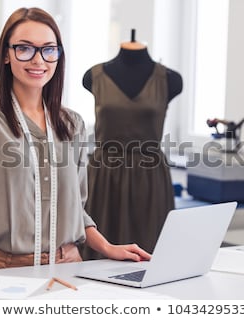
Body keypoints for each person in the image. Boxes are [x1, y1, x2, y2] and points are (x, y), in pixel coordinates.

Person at [0, 7, 150, 284]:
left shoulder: (73, 123)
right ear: (6, 54)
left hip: (67, 267)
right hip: (0, 269)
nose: (38, 60)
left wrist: (107, 247)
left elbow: (75, 211)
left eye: (49, 50)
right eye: (25, 49)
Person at [81, 34, 182, 260]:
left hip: (149, 177)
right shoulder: (93, 76)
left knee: (151, 248)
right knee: (100, 246)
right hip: (105, 174)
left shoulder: (170, 79)